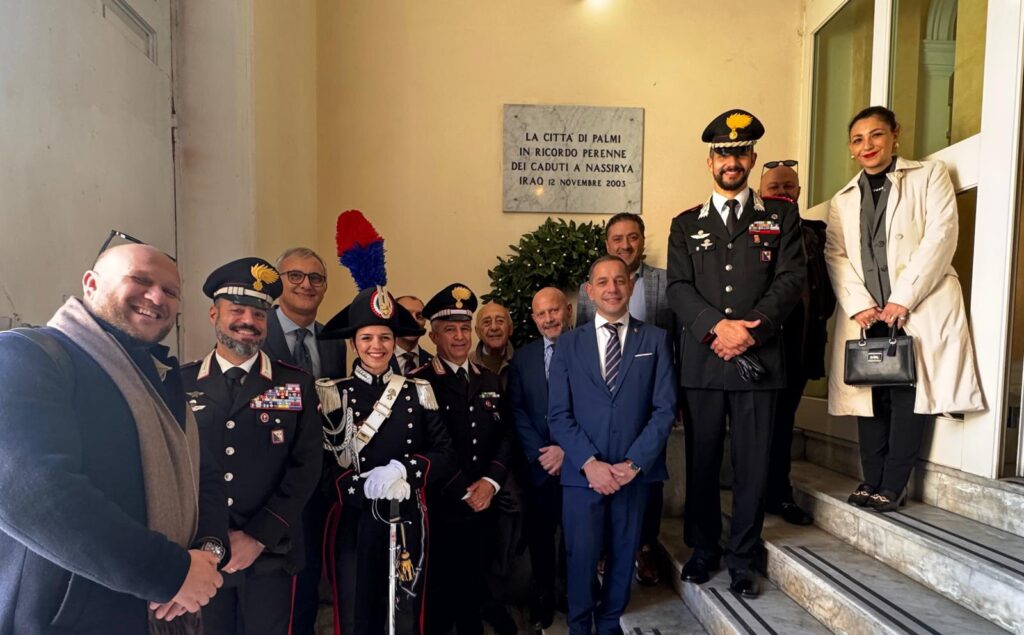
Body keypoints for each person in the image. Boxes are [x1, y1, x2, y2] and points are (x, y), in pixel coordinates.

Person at [0, 243, 223, 633]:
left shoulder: (163, 379)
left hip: (167, 614)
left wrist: (206, 554)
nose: (157, 297)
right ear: (90, 284)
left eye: (170, 291)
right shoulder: (26, 355)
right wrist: (169, 573)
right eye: (140, 280)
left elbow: (202, 476)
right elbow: (30, 491)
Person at [666, 109, 805, 597]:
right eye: (723, 154)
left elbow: (791, 280)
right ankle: (704, 548)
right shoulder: (686, 224)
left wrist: (752, 330)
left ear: (752, 158)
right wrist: (717, 328)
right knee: (702, 461)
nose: (732, 161)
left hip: (758, 362)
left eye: (740, 153)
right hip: (704, 364)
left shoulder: (780, 217)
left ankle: (743, 557)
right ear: (710, 162)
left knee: (752, 466)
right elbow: (678, 288)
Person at [824, 105, 984, 511]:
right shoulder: (843, 199)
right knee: (869, 397)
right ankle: (870, 478)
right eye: (858, 139)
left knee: (905, 397)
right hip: (867, 316)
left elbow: (941, 236)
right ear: (850, 148)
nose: (868, 145)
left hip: (914, 309)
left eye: (876, 135)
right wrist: (859, 305)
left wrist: (903, 298)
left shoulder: (929, 176)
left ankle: (894, 484)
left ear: (895, 135)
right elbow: (835, 255)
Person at [182, 257, 323, 634]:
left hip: (270, 552)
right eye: (237, 310)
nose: (248, 321)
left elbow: (307, 465)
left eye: (259, 314)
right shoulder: (180, 384)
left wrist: (259, 535)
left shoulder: (294, 384)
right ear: (214, 314)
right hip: (200, 554)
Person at [315, 286, 456, 635]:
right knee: (355, 611)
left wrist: (404, 470)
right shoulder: (334, 393)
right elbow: (320, 466)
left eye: (384, 337)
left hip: (405, 516)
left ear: (394, 342)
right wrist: (359, 487)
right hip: (354, 519)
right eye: (366, 338)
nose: (376, 346)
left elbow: (445, 453)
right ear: (353, 344)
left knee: (403, 612)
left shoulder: (417, 391)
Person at [549, 255, 676, 635]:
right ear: (589, 291)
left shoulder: (655, 339)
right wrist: (590, 463)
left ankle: (608, 626)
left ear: (631, 286)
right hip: (582, 475)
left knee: (623, 555)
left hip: (632, 475)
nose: (612, 289)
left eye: (620, 280)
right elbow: (558, 415)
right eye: (602, 282)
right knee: (581, 558)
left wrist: (633, 464)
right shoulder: (568, 344)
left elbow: (664, 410)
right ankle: (579, 627)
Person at [411, 284, 517, 635]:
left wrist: (490, 482)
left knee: (477, 581)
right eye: (449, 329)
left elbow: (505, 435)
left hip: (484, 501)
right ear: (433, 336)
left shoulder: (489, 379)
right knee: (440, 594)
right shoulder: (419, 382)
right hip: (442, 503)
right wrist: (464, 490)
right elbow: (421, 444)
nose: (459, 337)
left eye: (464, 328)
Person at [576, 211, 674, 586]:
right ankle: (608, 551)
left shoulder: (665, 281)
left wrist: (674, 396)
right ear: (607, 244)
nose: (625, 245)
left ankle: (645, 548)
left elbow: (675, 338)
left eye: (632, 237)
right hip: (607, 400)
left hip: (652, 394)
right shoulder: (589, 288)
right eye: (617, 239)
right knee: (608, 472)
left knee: (649, 475)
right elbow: (584, 346)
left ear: (642, 240)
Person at [261, 246, 346, 635]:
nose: (306, 285)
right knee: (267, 584)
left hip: (317, 480)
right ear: (278, 282)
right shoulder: (257, 328)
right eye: (295, 276)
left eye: (316, 278)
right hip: (266, 480)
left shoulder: (332, 340)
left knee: (308, 573)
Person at [757, 161, 836, 526]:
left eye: (789, 186)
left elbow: (826, 290)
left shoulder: (815, 235)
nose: (782, 192)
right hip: (759, 350)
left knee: (783, 425)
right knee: (758, 429)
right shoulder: (749, 231)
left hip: (799, 347)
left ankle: (779, 494)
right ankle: (753, 497)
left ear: (799, 192)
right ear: (761, 193)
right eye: (774, 187)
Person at [507, 287, 573, 632]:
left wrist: (566, 450)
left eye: (554, 311)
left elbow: (594, 408)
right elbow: (517, 410)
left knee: (576, 537)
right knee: (540, 537)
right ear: (533, 319)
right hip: (538, 468)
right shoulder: (523, 358)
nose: (549, 319)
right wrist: (541, 454)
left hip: (578, 465)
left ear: (568, 310)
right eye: (541, 314)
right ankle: (545, 595)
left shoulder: (587, 348)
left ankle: (571, 594)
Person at [470, 301, 514, 384]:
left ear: (510, 328)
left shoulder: (523, 362)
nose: (494, 327)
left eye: (500, 321)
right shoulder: (467, 364)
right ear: (478, 332)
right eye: (486, 322)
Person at [391, 295, 434, 374]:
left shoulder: (433, 364)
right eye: (406, 315)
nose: (414, 321)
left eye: (419, 316)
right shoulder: (377, 358)